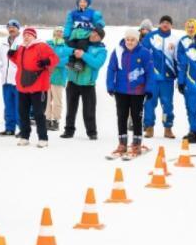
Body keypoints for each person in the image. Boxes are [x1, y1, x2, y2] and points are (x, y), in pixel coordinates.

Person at [106, 29, 155, 159]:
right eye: (128, 39)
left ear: (137, 40)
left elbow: (150, 72)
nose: (130, 42)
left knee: (136, 117)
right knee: (121, 116)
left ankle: (137, 144)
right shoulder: (118, 51)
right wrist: (110, 85)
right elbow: (111, 69)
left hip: (138, 91)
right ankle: (122, 143)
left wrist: (149, 89)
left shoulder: (144, 52)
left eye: (133, 39)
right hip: (121, 90)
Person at [8, 28, 59, 148]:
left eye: (29, 35)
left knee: (38, 114)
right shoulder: (21, 48)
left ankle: (43, 138)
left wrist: (46, 61)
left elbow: (55, 59)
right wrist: (11, 56)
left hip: (38, 86)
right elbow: (20, 63)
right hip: (23, 86)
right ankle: (25, 136)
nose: (26, 37)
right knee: (23, 112)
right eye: (25, 35)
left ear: (34, 37)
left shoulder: (41, 46)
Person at [61, 27, 107, 140]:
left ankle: (92, 132)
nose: (94, 36)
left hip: (88, 84)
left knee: (89, 109)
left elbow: (96, 64)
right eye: (93, 33)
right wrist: (74, 52)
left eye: (97, 35)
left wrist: (83, 55)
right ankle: (68, 130)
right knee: (70, 108)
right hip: (72, 81)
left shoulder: (101, 50)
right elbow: (65, 51)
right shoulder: (80, 42)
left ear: (100, 39)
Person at [142, 15, 178, 139]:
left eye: (168, 22)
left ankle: (168, 127)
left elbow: (178, 60)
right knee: (150, 103)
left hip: (167, 79)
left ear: (171, 25)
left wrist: (179, 77)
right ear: (159, 24)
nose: (165, 24)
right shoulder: (150, 37)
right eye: (163, 22)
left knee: (167, 104)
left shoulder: (174, 40)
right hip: (152, 78)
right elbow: (142, 55)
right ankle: (149, 127)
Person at [0, 19, 22, 136]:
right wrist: (0, 66)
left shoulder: (22, 42)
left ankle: (23, 129)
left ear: (18, 28)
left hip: (18, 80)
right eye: (9, 27)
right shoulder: (3, 43)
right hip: (5, 80)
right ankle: (9, 128)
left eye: (13, 27)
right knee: (8, 106)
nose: (11, 29)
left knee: (19, 106)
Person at [45, 26, 71, 132]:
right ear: (53, 32)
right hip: (46, 77)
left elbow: (66, 60)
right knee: (46, 100)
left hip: (59, 77)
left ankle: (55, 120)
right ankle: (47, 119)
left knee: (57, 101)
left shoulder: (66, 46)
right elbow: (43, 57)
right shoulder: (47, 44)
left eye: (61, 32)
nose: (58, 33)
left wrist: (52, 61)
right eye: (57, 31)